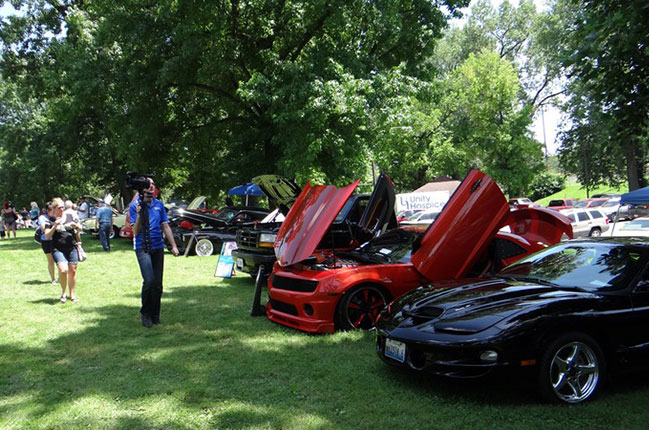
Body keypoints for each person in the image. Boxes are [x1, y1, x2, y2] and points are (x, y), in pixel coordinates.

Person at [129, 179, 179, 327]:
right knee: (149, 280)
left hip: (158, 247)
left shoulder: (159, 205)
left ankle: (155, 315)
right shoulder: (135, 206)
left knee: (158, 284)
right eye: (148, 185)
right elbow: (135, 231)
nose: (151, 187)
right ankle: (145, 314)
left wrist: (173, 245)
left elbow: (165, 226)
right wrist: (139, 214)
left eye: (152, 185)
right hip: (142, 247)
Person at [44, 198, 82, 303]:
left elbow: (80, 229)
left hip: (72, 247)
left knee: (72, 271)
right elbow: (47, 235)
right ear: (54, 209)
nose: (62, 208)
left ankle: (72, 295)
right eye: (59, 207)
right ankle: (63, 293)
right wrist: (55, 225)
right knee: (63, 270)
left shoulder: (70, 216)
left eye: (63, 207)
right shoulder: (50, 220)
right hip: (57, 248)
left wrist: (78, 227)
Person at [37, 204, 57, 284]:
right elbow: (44, 230)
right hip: (46, 241)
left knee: (59, 259)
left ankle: (61, 277)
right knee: (51, 260)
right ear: (48, 211)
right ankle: (53, 279)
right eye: (53, 210)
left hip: (56, 239)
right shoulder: (42, 218)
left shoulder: (57, 216)